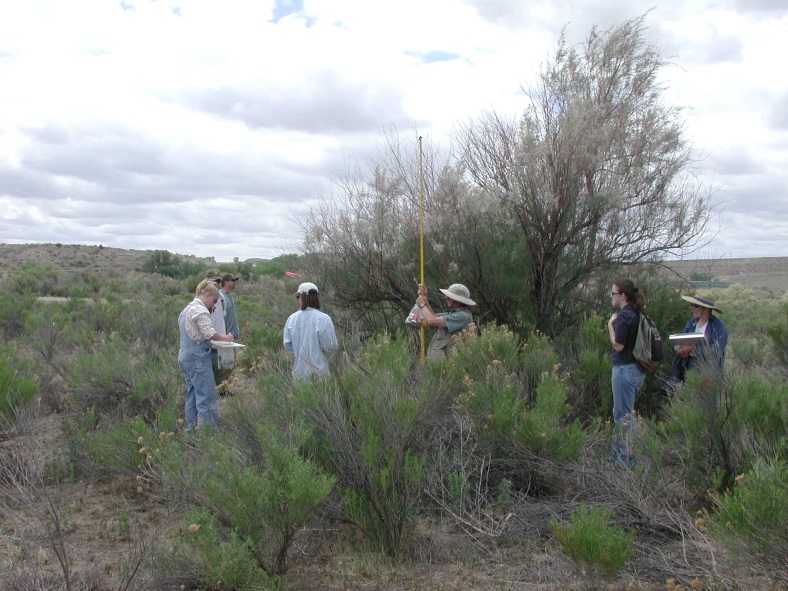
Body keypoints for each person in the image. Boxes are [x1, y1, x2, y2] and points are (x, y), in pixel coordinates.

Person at [178, 279, 234, 430]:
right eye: (214, 301)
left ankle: (191, 432)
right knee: (208, 397)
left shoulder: (186, 309)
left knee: (193, 396)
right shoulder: (200, 309)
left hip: (186, 357)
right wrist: (226, 338)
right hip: (198, 359)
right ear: (208, 295)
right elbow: (210, 333)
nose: (213, 305)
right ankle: (208, 437)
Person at [607, 279, 646, 468]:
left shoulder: (624, 316)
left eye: (614, 293)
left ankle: (626, 460)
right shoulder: (636, 314)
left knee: (623, 417)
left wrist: (610, 327)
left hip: (624, 369)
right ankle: (619, 457)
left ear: (622, 296)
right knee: (623, 413)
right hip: (635, 369)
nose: (611, 296)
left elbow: (618, 345)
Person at [666, 293, 728, 385]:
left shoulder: (718, 327)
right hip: (688, 375)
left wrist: (692, 350)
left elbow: (716, 352)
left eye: (696, 306)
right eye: (692, 305)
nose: (693, 308)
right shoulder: (690, 324)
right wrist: (680, 350)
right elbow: (680, 343)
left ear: (706, 308)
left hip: (709, 378)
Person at [283, 282, 339, 380]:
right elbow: (331, 347)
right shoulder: (324, 319)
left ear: (302, 297)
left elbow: (288, 346)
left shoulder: (291, 319)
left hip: (299, 374)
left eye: (298, 297)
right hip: (321, 374)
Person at [415, 283, 475, 359]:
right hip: (441, 365)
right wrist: (424, 298)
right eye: (447, 297)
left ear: (458, 301)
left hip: (449, 366)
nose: (447, 300)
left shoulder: (462, 317)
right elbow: (431, 316)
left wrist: (422, 304)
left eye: (449, 298)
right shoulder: (454, 313)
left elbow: (431, 320)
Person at [220, 273, 240, 339]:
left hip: (232, 336)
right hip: (224, 337)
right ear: (226, 282)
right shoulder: (220, 296)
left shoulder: (230, 297)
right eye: (233, 280)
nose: (235, 282)